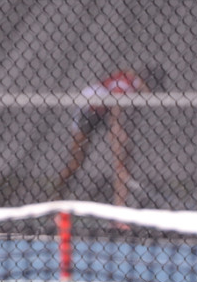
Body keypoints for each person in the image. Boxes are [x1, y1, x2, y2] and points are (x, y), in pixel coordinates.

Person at [54, 66, 165, 215]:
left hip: (104, 110)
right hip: (89, 109)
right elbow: (116, 114)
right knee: (76, 161)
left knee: (122, 161)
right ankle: (55, 199)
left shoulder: (131, 84)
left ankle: (120, 209)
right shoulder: (127, 86)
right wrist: (118, 135)